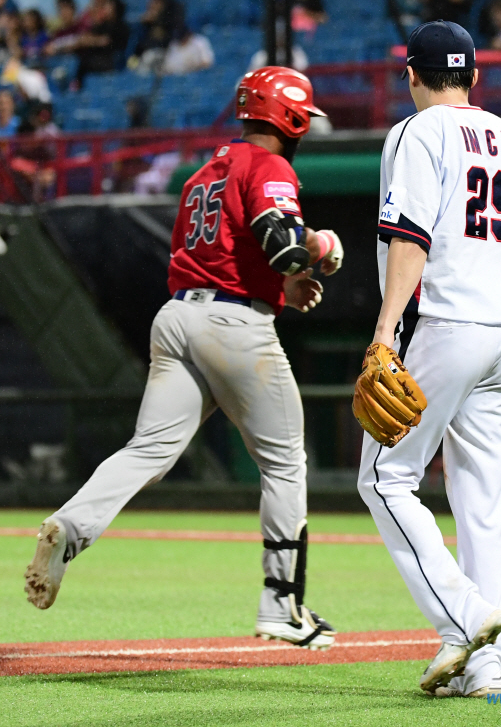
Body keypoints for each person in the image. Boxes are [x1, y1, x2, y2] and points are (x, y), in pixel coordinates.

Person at [24, 66, 345, 651]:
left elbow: (230, 249)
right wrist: (319, 250)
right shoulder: (270, 165)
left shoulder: (207, 169)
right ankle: (281, 606)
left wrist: (282, 286)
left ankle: (69, 527)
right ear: (293, 117)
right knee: (285, 464)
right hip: (233, 324)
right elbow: (284, 244)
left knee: (148, 450)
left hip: (177, 317)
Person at [355, 21, 501, 697]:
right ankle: (485, 670)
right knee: (479, 494)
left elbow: (409, 237)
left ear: (411, 75)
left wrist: (384, 331)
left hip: (449, 319)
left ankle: (464, 619)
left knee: (384, 477)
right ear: (474, 77)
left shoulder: (417, 132)